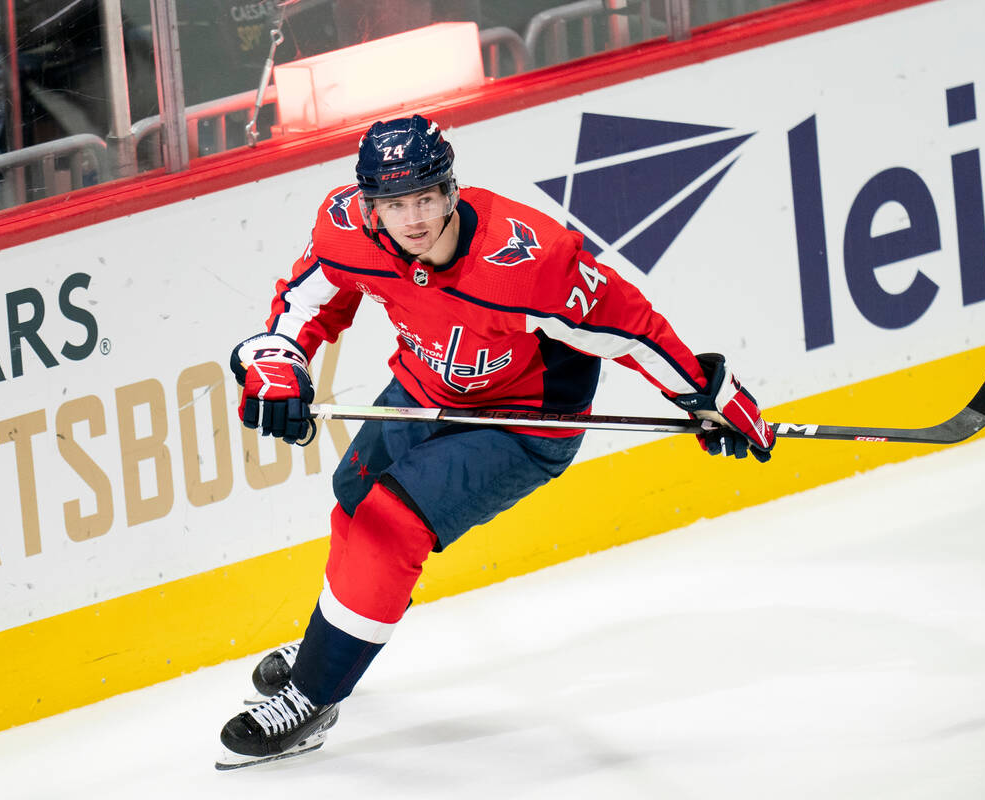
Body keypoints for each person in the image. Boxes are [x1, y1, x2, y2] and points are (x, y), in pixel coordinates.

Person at [219, 114, 775, 765]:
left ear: (451, 189)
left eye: (427, 197)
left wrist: (702, 392)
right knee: (355, 493)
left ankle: (312, 698)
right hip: (424, 391)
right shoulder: (346, 231)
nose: (416, 218)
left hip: (524, 421)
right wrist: (282, 360)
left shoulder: (529, 259)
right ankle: (329, 647)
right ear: (371, 206)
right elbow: (310, 302)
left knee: (389, 521)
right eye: (397, 204)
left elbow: (630, 328)